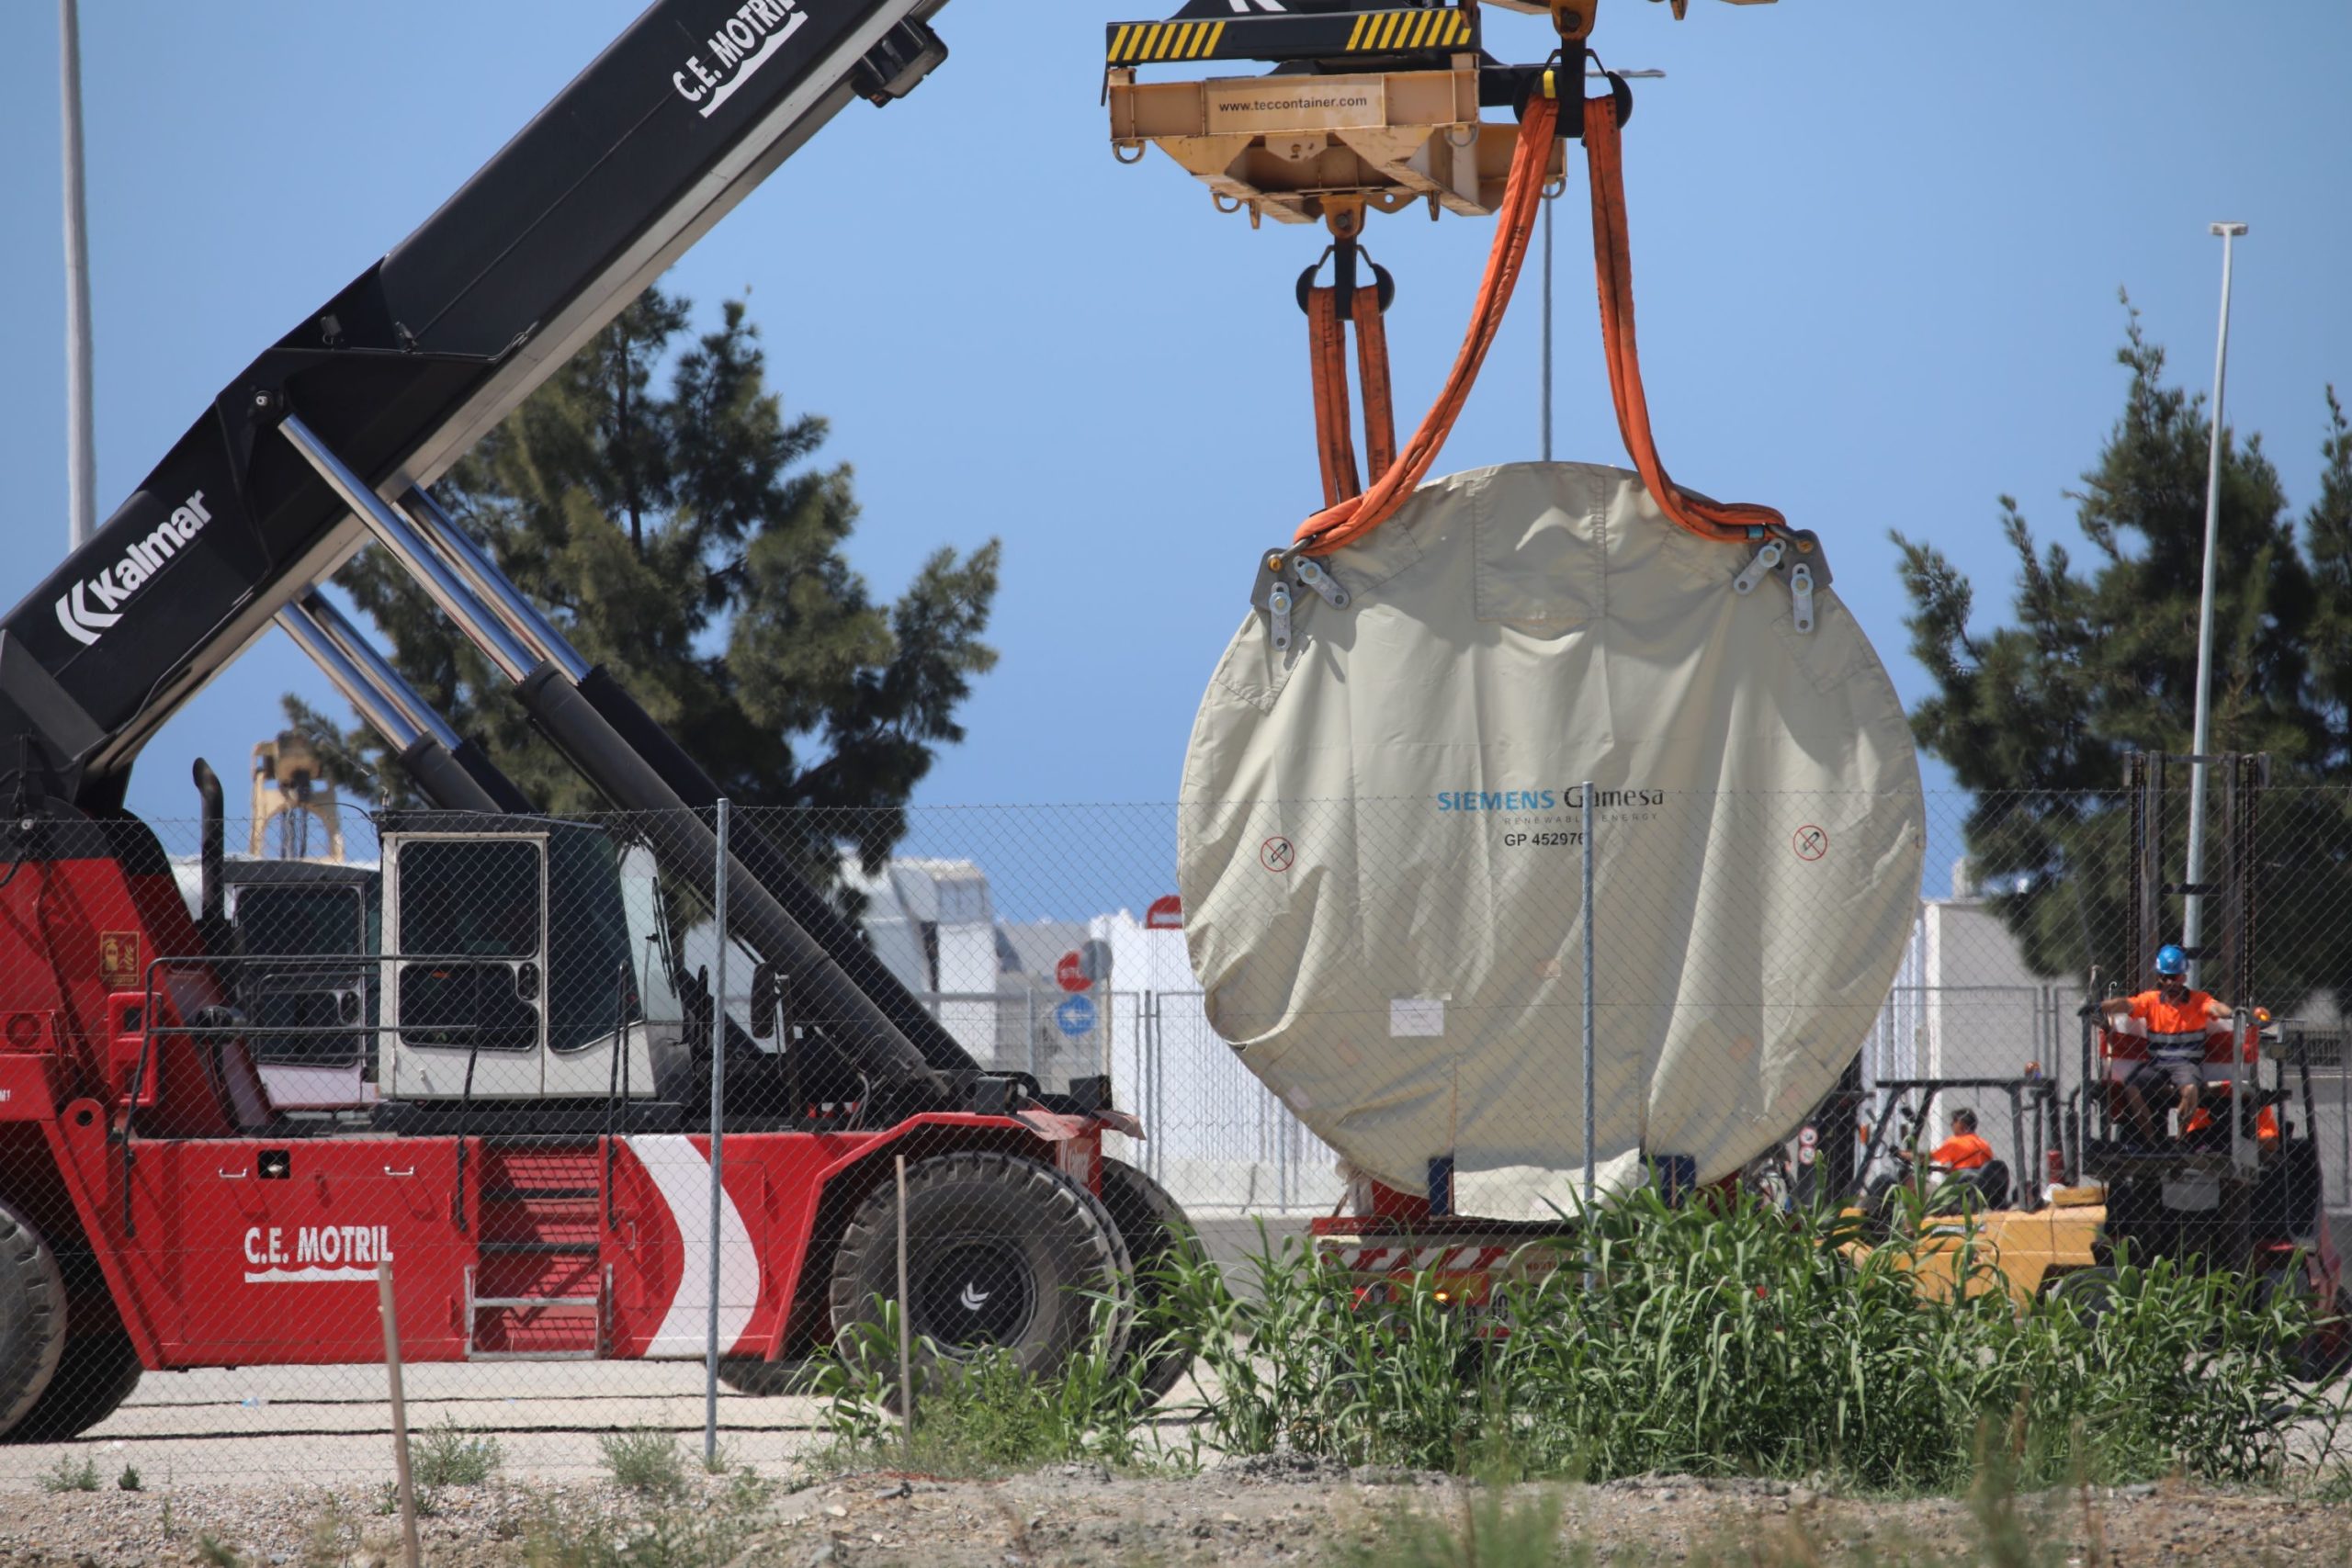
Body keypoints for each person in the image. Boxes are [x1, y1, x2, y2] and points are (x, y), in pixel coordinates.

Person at [2098, 943, 2234, 1145]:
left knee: (2191, 1090)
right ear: (2160, 978)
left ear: (2184, 977)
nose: (2171, 983)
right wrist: (2102, 1006)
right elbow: (2128, 1005)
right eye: (2166, 978)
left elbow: (2215, 1007)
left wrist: (2230, 1013)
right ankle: (2152, 1141)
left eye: (2176, 977)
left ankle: (2179, 1140)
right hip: (2158, 1064)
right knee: (2131, 1086)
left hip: (2186, 1064)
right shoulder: (2151, 1000)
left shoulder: (2198, 1000)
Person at [1925, 1108, 1993, 1174]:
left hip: (1963, 1182)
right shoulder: (1984, 1144)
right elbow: (1971, 1167)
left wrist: (1915, 1156)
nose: (1951, 1124)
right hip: (1983, 1182)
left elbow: (1929, 1158)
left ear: (1962, 1125)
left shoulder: (1955, 1142)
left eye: (1954, 1121)